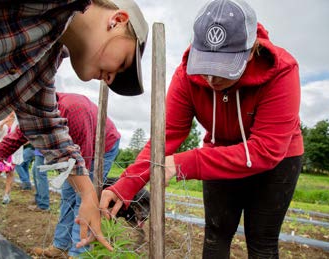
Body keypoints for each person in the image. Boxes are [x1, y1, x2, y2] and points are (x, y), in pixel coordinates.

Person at [100, 0, 303, 258]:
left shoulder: (281, 70)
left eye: (224, 67)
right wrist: (126, 185)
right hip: (218, 154)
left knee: (261, 239)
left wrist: (184, 163)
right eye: (206, 64)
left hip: (278, 160)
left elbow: (266, 150)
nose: (211, 77)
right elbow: (165, 136)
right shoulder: (187, 75)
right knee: (216, 233)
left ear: (250, 51)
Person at [0, 0, 148, 250]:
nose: (111, 78)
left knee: (76, 192)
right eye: (122, 63)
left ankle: (77, 249)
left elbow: (45, 127)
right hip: (82, 146)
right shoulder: (72, 108)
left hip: (104, 145)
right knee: (71, 191)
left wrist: (88, 191)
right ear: (118, 20)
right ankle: (65, 246)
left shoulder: (45, 59)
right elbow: (32, 133)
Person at [0, 92, 121, 257]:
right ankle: (60, 245)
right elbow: (7, 145)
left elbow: (83, 161)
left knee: (83, 199)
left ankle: (78, 253)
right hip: (75, 150)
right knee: (67, 195)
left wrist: (85, 192)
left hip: (102, 146)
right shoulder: (32, 115)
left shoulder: (72, 109)